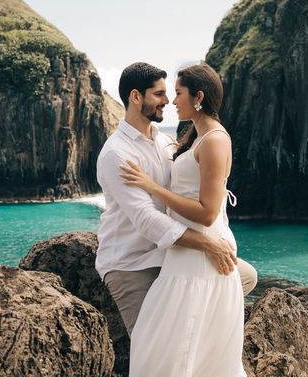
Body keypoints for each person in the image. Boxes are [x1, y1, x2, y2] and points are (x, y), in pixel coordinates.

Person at [110, 61, 257, 377]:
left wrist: (153, 188)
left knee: (174, 354)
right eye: (165, 93)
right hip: (182, 257)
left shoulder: (214, 140)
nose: (171, 100)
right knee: (174, 355)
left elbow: (209, 212)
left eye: (177, 92)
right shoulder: (190, 137)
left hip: (195, 255)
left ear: (198, 96)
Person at [95, 62, 257, 338]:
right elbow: (147, 220)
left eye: (170, 93)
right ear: (136, 97)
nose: (167, 101)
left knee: (245, 276)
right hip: (132, 262)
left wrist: (217, 237)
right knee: (152, 347)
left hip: (169, 255)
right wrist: (207, 243)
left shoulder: (166, 143)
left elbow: (192, 193)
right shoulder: (117, 154)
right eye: (158, 94)